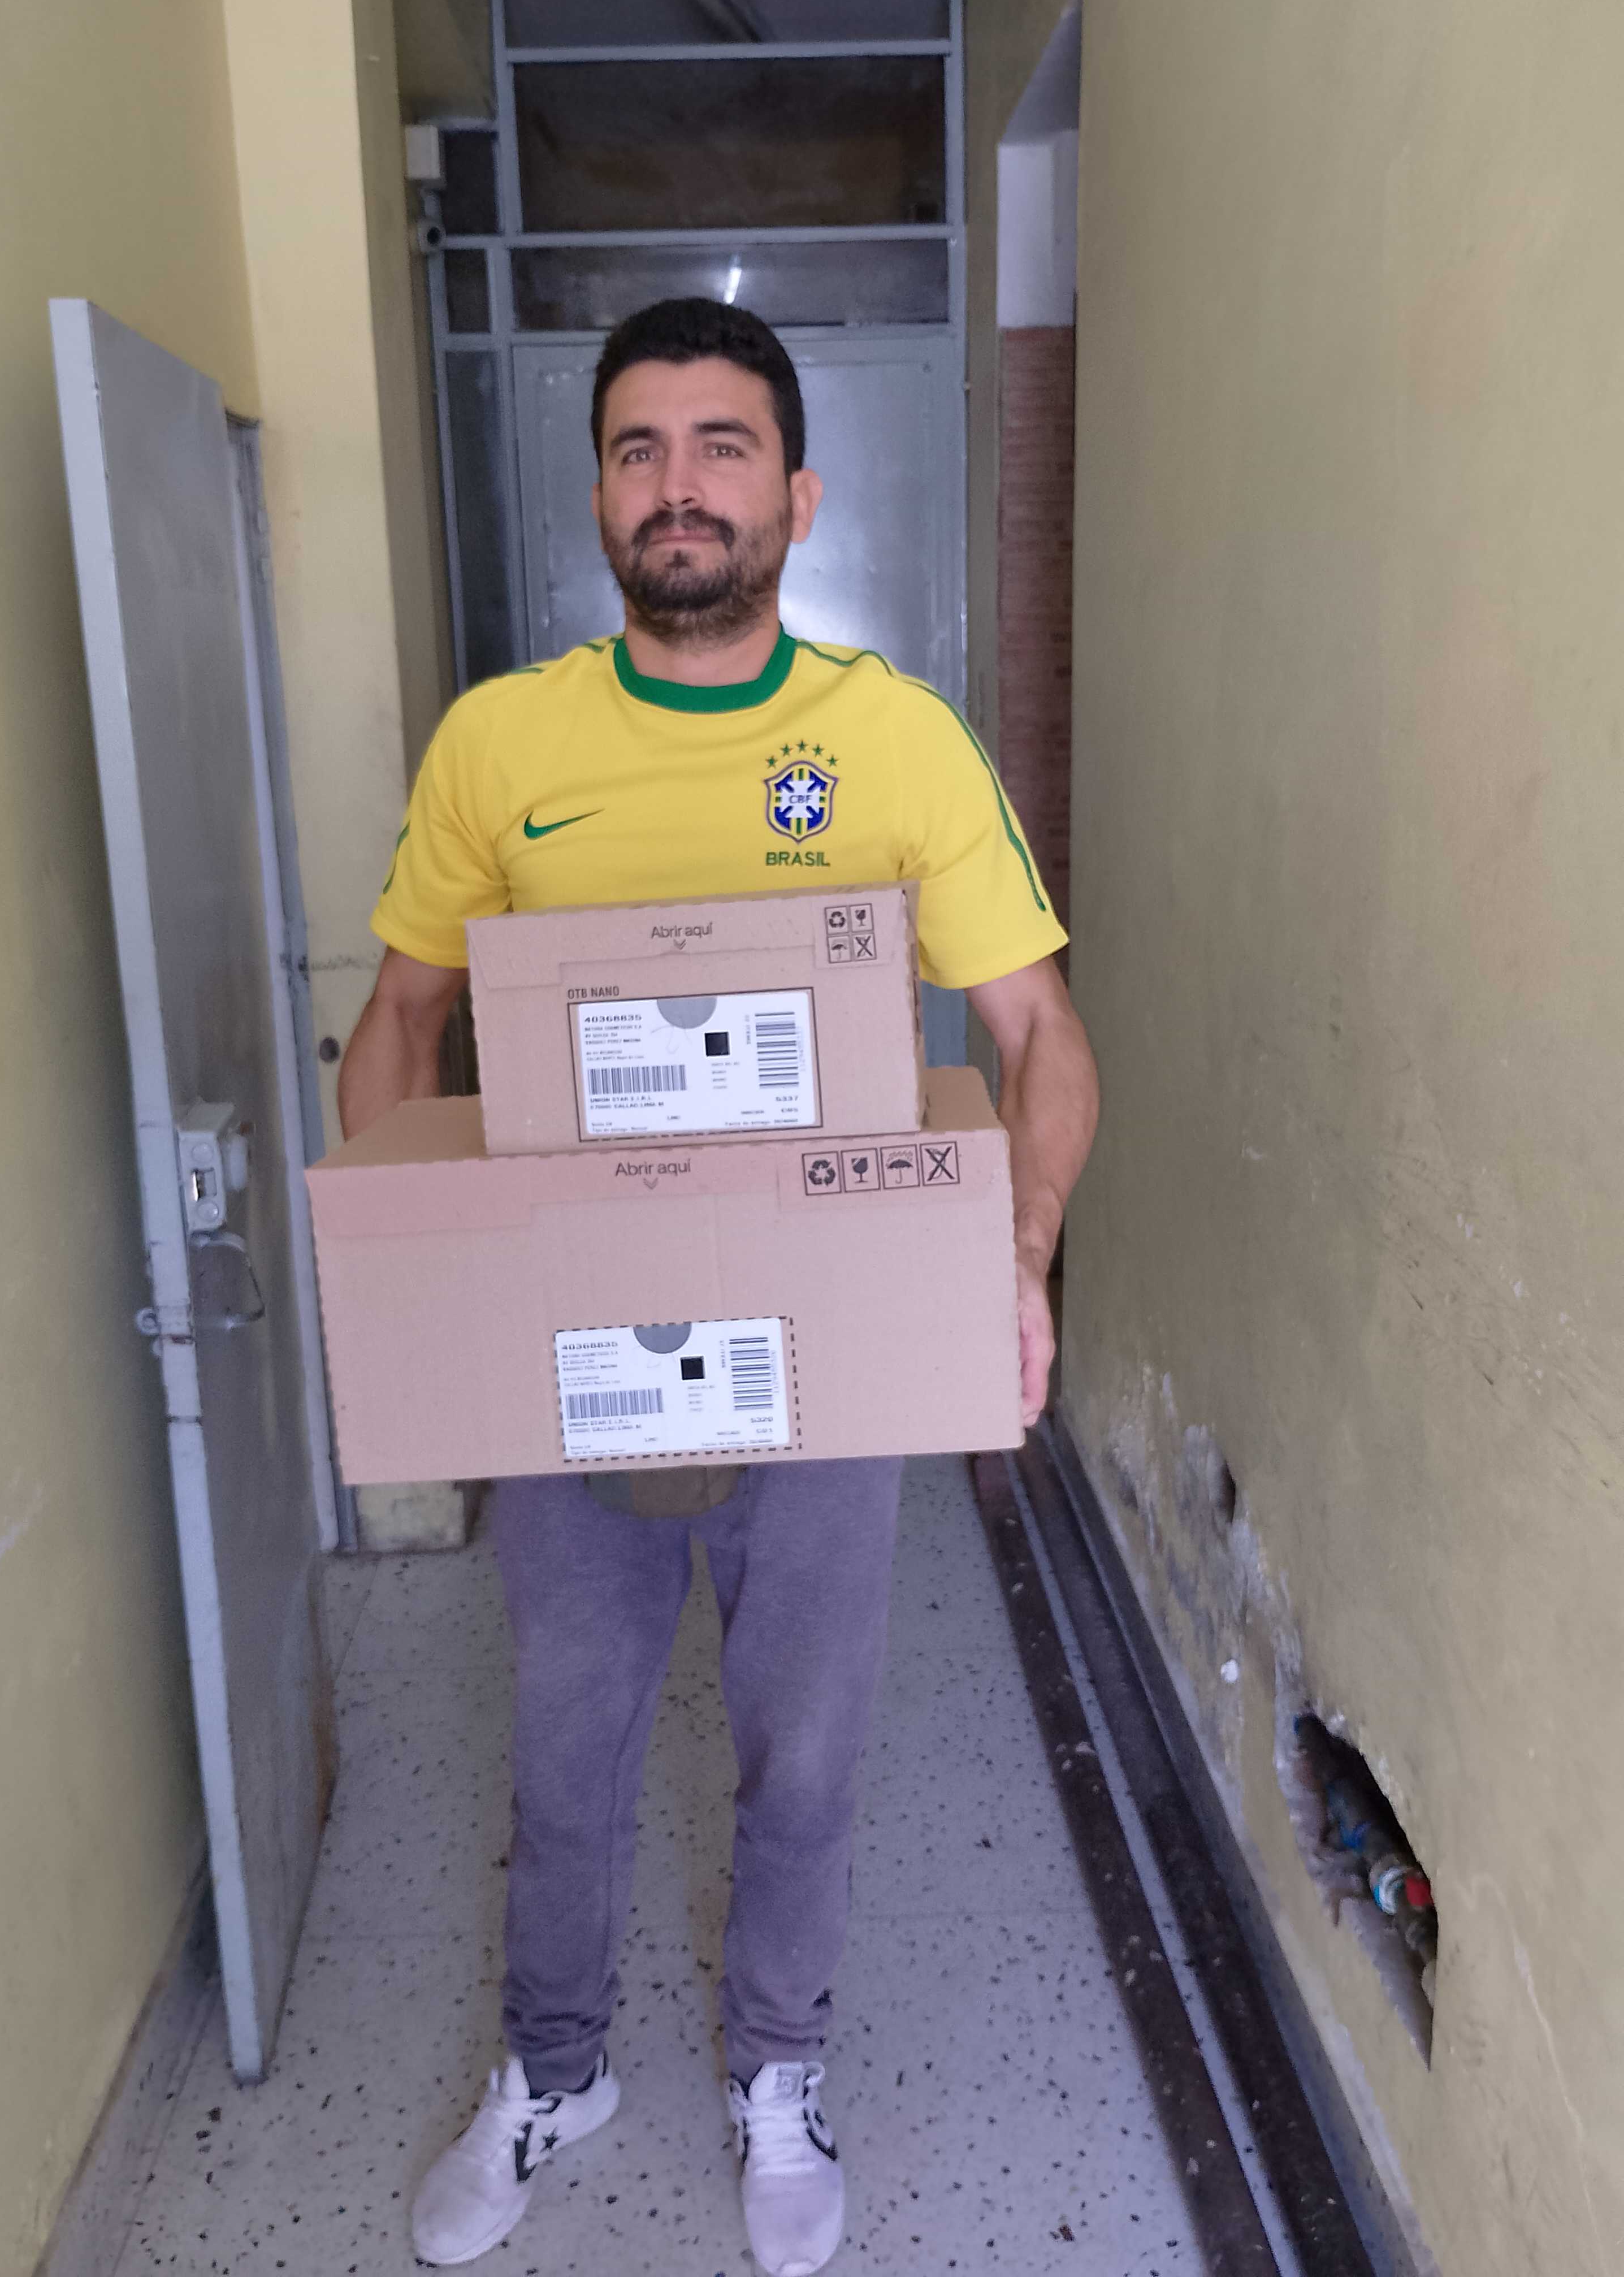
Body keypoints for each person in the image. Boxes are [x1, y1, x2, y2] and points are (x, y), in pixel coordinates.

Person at [338, 297, 1099, 2275]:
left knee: (807, 1745)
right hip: (573, 1352)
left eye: (722, 446)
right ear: (600, 494)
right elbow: (401, 1019)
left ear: (797, 496)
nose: (678, 486)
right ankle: (555, 2068)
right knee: (567, 1739)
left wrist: (1015, 1254)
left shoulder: (894, 740)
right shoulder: (502, 748)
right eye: (639, 449)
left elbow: (1039, 1037)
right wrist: (410, 1284)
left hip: (826, 1357)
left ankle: (780, 2068)